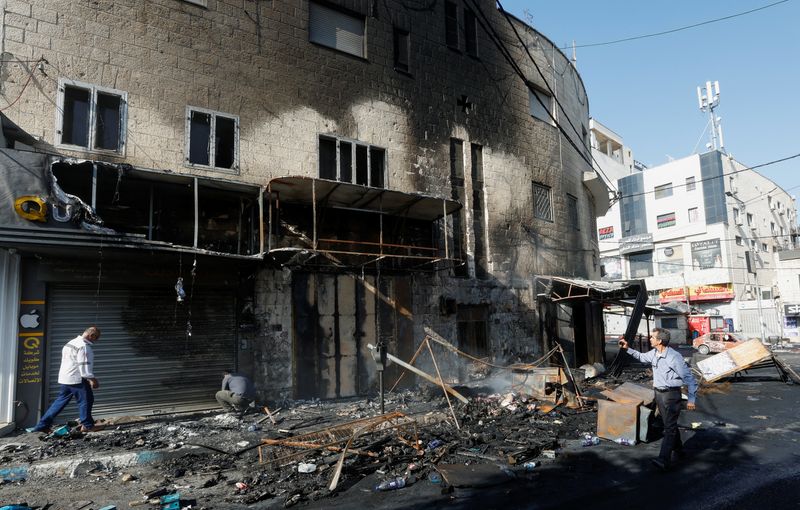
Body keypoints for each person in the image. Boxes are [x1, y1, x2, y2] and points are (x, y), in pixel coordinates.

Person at [619, 327, 697, 471]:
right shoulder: (654, 353)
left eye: (652, 337)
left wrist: (691, 399)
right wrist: (627, 348)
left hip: (671, 395)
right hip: (659, 394)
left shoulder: (674, 357)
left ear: (659, 341)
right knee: (669, 424)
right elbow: (642, 357)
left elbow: (690, 379)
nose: (650, 339)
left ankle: (663, 460)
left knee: (669, 428)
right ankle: (679, 450)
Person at [29, 326, 101, 433]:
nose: (96, 341)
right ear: (91, 335)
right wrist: (92, 379)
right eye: (96, 338)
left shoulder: (71, 342)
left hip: (65, 378)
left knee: (59, 402)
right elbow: (84, 366)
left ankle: (42, 425)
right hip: (77, 379)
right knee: (86, 401)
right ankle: (87, 425)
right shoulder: (84, 347)